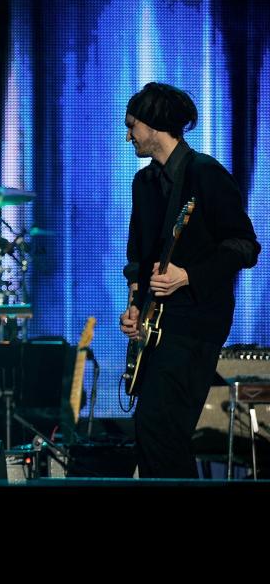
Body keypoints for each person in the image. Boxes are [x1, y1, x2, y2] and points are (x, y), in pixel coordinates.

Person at [119, 82, 260, 478]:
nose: (128, 135)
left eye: (133, 126)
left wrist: (188, 275)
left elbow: (245, 245)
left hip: (198, 322)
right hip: (158, 325)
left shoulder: (206, 174)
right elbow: (139, 258)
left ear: (156, 125)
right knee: (152, 433)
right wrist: (135, 304)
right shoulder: (143, 184)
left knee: (163, 429)